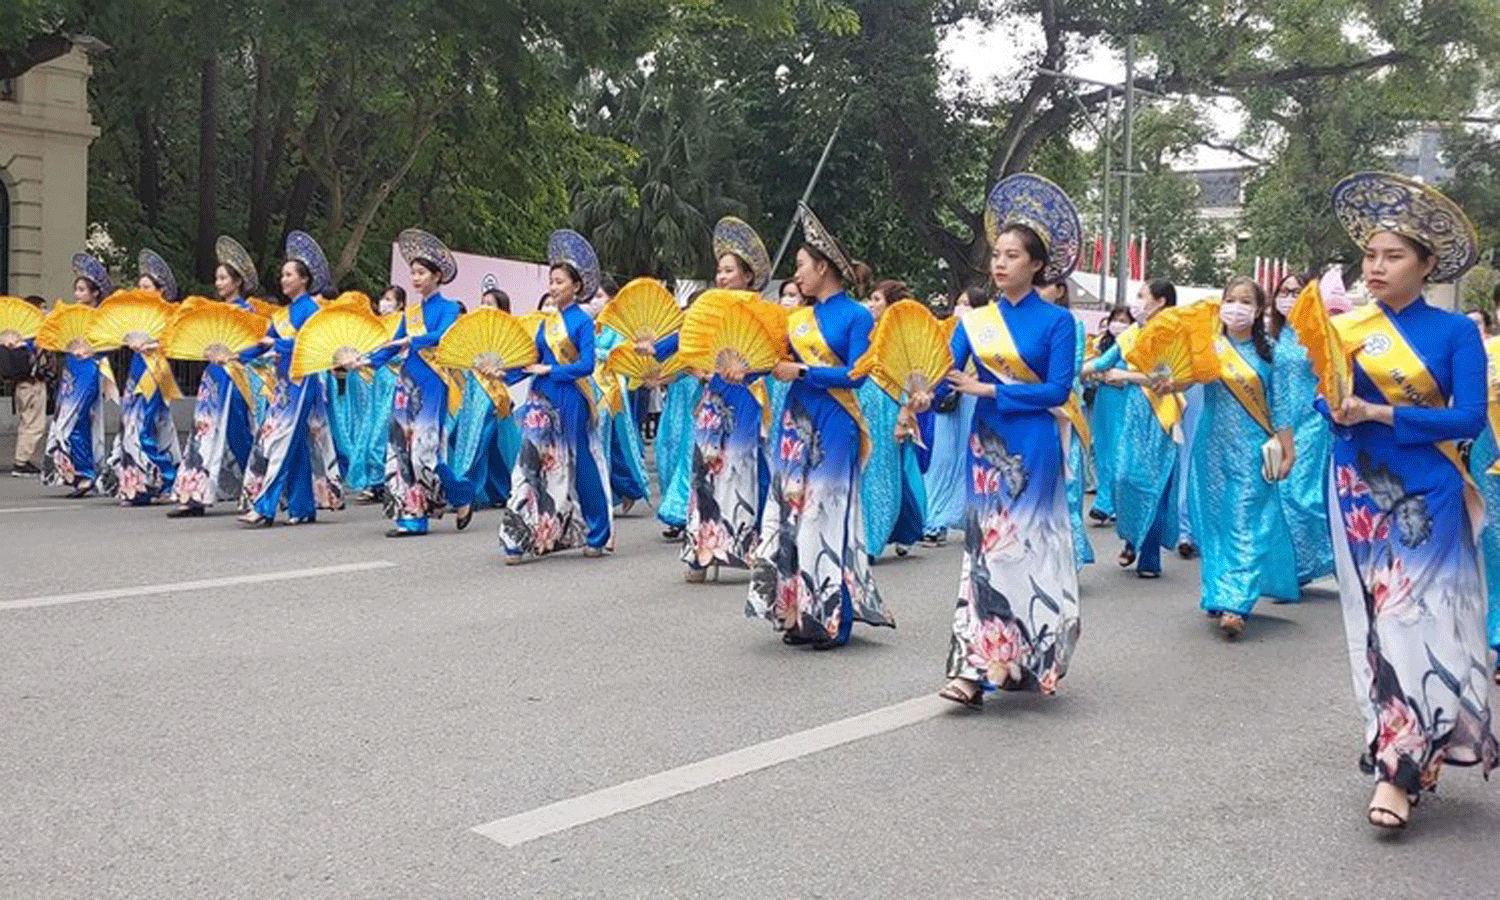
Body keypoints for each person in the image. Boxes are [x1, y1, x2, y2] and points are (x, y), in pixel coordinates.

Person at [1323, 171, 1496, 829]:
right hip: (1354, 489)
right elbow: (1326, 399)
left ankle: (1397, 772)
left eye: (1392, 256)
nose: (1376, 266)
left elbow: (1468, 420)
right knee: (1369, 622)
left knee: (1409, 619)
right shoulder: (1347, 328)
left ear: (1426, 265)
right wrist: (1338, 408)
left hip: (1427, 495)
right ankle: (1401, 741)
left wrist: (1380, 411)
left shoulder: (1455, 334)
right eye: (1370, 255)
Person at [936, 174, 1083, 706]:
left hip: (1034, 446)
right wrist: (918, 391)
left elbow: (1058, 390)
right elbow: (944, 376)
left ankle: (1031, 654)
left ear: (1038, 265)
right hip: (986, 449)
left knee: (1028, 551)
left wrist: (991, 391)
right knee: (984, 554)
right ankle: (976, 667)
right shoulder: (976, 321)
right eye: (996, 254)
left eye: (1013, 256)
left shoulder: (1058, 323)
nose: (1000, 264)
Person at [747, 203, 892, 648]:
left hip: (835, 420)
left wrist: (805, 373)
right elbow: (772, 358)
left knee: (823, 519)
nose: (798, 276)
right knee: (789, 515)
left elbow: (856, 373)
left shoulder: (856, 317)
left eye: (802, 267)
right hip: (796, 421)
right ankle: (795, 614)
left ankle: (832, 619)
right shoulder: (797, 319)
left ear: (823, 267)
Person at [1172, 277, 1300, 637]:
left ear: (1259, 310)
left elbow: (1283, 406)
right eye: (1231, 300)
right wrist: (1166, 380)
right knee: (1214, 523)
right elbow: (1182, 380)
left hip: (1252, 451)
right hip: (1209, 448)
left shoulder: (1272, 353)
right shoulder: (1207, 347)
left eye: (1246, 302)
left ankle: (1236, 603)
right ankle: (1218, 592)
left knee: (1244, 522)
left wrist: (1289, 451)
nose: (1237, 308)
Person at [499, 229, 612, 561]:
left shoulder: (582, 323)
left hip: (571, 399)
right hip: (540, 400)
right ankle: (518, 535)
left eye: (560, 281)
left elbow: (587, 365)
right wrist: (503, 374)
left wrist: (553, 371)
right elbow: (532, 362)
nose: (553, 287)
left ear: (576, 286)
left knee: (575, 464)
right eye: (551, 281)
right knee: (529, 463)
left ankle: (597, 532)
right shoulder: (545, 323)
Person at [360, 228, 474, 537]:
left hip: (433, 385)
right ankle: (412, 517)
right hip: (406, 384)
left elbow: (443, 336)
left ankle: (461, 494)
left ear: (437, 276)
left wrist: (417, 338)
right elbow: (393, 345)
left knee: (424, 453)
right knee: (399, 450)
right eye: (413, 273)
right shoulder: (409, 313)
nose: (416, 278)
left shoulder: (449, 308)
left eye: (422, 273)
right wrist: (365, 360)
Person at [682, 217, 772, 582]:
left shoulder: (762, 312)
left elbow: (771, 356)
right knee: (704, 471)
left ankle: (745, 549)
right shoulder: (709, 307)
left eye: (729, 271)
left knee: (738, 472)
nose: (721, 277)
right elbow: (685, 338)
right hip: (714, 397)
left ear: (748, 277)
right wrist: (653, 349)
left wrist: (750, 370)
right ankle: (699, 553)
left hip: (746, 397)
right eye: (719, 270)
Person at [238, 231, 344, 526]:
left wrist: (279, 345)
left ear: (304, 280)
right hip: (283, 385)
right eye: (283, 275)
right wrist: (236, 355)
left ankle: (265, 507)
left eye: (289, 275)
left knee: (280, 442)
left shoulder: (311, 310)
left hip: (303, 382)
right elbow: (263, 342)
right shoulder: (281, 314)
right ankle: (301, 507)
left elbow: (310, 345)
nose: (283, 280)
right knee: (294, 445)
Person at [1084, 279, 1184, 578]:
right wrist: (1066, 370)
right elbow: (1103, 361)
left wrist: (1129, 376)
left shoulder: (1172, 334)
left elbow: (1169, 376)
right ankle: (1131, 537)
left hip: (1160, 413)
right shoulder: (1130, 334)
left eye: (1142, 296)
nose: (1136, 301)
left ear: (1161, 301)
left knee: (1153, 483)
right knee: (1123, 477)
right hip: (1131, 414)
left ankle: (1148, 556)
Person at [166, 237, 265, 516]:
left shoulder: (248, 312)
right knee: (202, 432)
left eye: (223, 278)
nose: (219, 283)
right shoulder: (213, 312)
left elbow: (259, 344)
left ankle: (257, 487)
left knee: (238, 434)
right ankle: (193, 495)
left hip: (234, 376)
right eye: (217, 278)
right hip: (213, 376)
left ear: (237, 282)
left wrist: (236, 356)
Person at [1268, 269, 1335, 585]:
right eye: (1284, 291)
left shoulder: (1322, 334)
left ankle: (1319, 560)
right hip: (1277, 421)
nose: (1289, 298)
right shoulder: (1270, 335)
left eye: (1297, 292)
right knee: (1279, 493)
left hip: (1311, 422)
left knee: (1300, 494)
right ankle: (1293, 566)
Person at [104, 249, 183, 505]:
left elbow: (175, 342)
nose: (142, 290)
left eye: (147, 286)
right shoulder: (138, 316)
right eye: (140, 286)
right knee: (136, 425)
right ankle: (139, 482)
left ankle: (166, 478)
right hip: (137, 369)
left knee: (142, 427)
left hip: (155, 370)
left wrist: (153, 345)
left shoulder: (169, 314)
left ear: (160, 291)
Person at [858, 279, 927, 559]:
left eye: (876, 299)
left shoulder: (902, 338)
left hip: (889, 408)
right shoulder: (864, 333)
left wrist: (904, 416)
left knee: (882, 473)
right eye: (871, 299)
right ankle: (878, 532)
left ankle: (872, 543)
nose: (871, 305)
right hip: (863, 405)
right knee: (864, 472)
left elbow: (909, 382)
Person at [41, 254, 113, 496]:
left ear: (95, 293)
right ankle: (80, 471)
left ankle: (87, 473)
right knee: (70, 422)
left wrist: (92, 349)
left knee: (75, 420)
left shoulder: (103, 318)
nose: (78, 295)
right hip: (71, 372)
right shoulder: (69, 316)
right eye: (77, 290)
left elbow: (113, 343)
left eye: (82, 290)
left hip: (90, 370)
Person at [1039, 273, 1094, 569]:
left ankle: (1069, 559)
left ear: (1060, 290)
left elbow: (1072, 367)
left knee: (1067, 485)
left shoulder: (1072, 323)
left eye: (1043, 284)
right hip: (1032, 410)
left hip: (1063, 411)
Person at [346, 286, 405, 502]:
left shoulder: (403, 323)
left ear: (400, 304)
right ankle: (375, 481)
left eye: (389, 299)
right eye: (383, 298)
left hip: (394, 383)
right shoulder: (375, 325)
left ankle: (381, 482)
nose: (384, 303)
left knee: (381, 434)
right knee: (369, 432)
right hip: (376, 384)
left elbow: (394, 352)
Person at [1087, 306, 1133, 524]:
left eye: (1124, 320)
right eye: (1116, 320)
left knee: (1117, 451)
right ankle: (1104, 502)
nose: (1119, 324)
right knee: (1102, 451)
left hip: (1124, 401)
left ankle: (1112, 504)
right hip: (1103, 400)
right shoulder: (1105, 344)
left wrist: (1124, 378)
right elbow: (1097, 367)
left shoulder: (1135, 343)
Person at [5, 295, 52, 477]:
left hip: (22, 385)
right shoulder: (30, 337)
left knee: (27, 422)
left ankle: (22, 459)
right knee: (33, 424)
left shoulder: (20, 334)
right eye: (42, 308)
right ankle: (21, 462)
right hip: (32, 384)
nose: (44, 312)